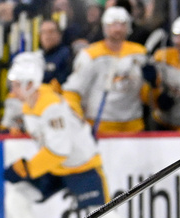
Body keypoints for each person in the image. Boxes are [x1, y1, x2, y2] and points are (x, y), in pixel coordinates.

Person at [3, 52, 144, 218]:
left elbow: (60, 150)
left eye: (16, 84)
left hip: (81, 166)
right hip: (55, 168)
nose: (13, 90)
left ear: (30, 84)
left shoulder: (51, 106)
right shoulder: (31, 104)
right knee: (16, 197)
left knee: (99, 214)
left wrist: (27, 169)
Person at [63, 5, 156, 135]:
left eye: (122, 24)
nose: (118, 29)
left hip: (134, 126)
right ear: (105, 27)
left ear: (128, 26)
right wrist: (78, 120)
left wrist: (154, 85)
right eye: (113, 24)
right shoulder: (90, 55)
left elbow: (146, 96)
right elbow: (72, 91)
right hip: (100, 126)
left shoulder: (140, 53)